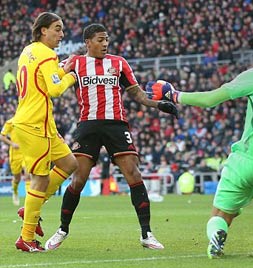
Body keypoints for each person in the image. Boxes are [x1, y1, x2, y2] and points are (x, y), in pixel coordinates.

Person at [146, 32, 253, 259]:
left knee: (217, 212)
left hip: (249, 162)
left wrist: (174, 95)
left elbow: (210, 100)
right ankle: (219, 240)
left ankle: (216, 237)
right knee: (231, 208)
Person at [45, 23, 178, 251]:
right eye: (100, 39)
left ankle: (147, 234)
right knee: (78, 179)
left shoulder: (119, 63)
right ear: (88, 42)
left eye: (106, 39)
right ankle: (62, 230)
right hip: (88, 125)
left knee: (133, 174)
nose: (105, 43)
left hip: (116, 124)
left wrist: (159, 105)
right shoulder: (75, 62)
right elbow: (52, 80)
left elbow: (136, 93)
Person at [12, 12, 79, 252]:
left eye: (61, 30)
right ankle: (26, 237)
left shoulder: (29, 51)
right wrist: (72, 76)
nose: (61, 34)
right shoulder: (47, 53)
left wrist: (62, 67)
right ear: (43, 30)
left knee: (70, 163)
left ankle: (32, 208)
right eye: (57, 29)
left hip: (41, 123)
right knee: (39, 179)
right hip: (33, 124)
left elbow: (45, 79)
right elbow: (55, 90)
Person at [0, 117, 26, 206]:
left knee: (28, 173)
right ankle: (15, 191)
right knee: (17, 178)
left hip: (26, 152)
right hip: (15, 154)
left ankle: (32, 198)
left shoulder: (28, 121)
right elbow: (2, 136)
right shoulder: (10, 122)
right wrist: (12, 144)